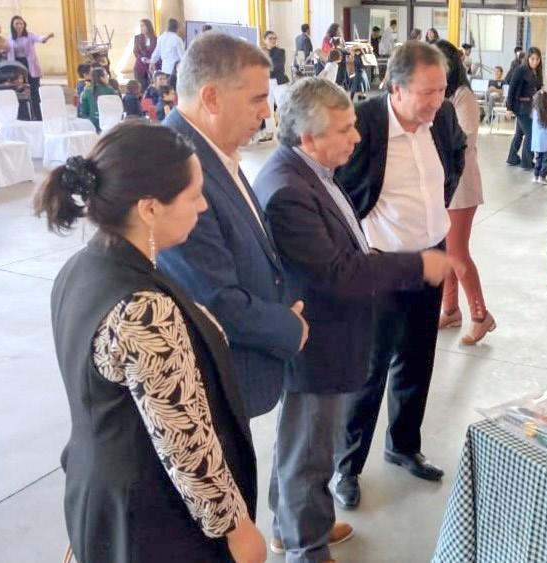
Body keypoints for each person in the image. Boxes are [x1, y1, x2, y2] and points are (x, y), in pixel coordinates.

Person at [34, 120, 266, 563]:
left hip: (100, 492)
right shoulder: (143, 308)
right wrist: (236, 529)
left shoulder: (80, 269)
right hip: (156, 519)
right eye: (193, 196)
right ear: (150, 208)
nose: (203, 206)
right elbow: (186, 445)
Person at [253, 77, 453, 563]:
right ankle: (307, 548)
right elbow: (339, 273)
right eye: (344, 129)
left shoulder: (311, 172)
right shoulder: (288, 191)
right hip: (315, 343)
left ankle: (293, 526)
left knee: (302, 444)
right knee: (309, 453)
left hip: (327, 335)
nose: (357, 137)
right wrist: (416, 265)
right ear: (309, 137)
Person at [331, 40, 466, 509]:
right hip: (382, 262)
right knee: (370, 367)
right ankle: (346, 466)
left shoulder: (442, 119)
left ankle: (403, 445)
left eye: (442, 90)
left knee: (417, 356)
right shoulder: (364, 123)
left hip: (431, 256)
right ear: (396, 88)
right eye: (427, 92)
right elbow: (339, 187)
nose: (436, 101)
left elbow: (455, 158)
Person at [159, 33, 309, 423]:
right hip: (213, 383)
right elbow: (213, 297)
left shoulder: (213, 149)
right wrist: (288, 327)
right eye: (257, 99)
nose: (266, 112)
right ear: (211, 98)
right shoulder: (176, 167)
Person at [433, 39, 494, 345]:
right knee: (445, 251)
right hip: (442, 185)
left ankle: (481, 316)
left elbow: (464, 139)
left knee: (457, 252)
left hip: (461, 185)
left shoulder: (462, 96)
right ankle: (450, 309)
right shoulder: (440, 94)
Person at [6, 16, 52, 120]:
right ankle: (23, 116)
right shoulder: (10, 38)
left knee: (34, 91)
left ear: (24, 25)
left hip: (30, 65)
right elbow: (6, 50)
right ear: (12, 26)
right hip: (17, 66)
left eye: (21, 23)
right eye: (16, 24)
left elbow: (40, 39)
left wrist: (47, 37)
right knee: (19, 90)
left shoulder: (29, 35)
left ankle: (38, 115)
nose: (19, 26)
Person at [506, 46, 543, 170]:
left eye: (537, 59)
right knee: (531, 133)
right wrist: (509, 108)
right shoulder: (520, 70)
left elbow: (537, 88)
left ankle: (512, 157)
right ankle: (527, 162)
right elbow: (512, 89)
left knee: (519, 133)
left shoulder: (537, 72)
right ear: (528, 58)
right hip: (521, 107)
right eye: (532, 59)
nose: (535, 62)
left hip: (531, 107)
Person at [79, 67, 118, 131]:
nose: (108, 77)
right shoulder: (110, 90)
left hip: (92, 122)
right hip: (108, 123)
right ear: (101, 78)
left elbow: (84, 110)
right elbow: (116, 108)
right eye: (106, 75)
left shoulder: (87, 90)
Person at [133, 19, 157, 91]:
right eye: (140, 26)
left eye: (143, 26)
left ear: (148, 26)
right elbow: (135, 51)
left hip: (150, 67)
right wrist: (141, 58)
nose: (141, 28)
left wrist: (152, 61)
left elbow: (157, 52)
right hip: (139, 66)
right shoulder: (137, 38)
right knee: (141, 89)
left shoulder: (155, 39)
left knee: (151, 89)